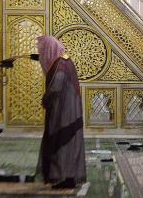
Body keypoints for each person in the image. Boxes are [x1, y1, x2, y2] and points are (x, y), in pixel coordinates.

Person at [36, 36, 86, 189]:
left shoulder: (61, 64)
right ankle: (68, 177)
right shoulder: (64, 60)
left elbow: (56, 86)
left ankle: (64, 178)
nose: (42, 55)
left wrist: (46, 99)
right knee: (67, 141)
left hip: (65, 112)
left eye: (43, 51)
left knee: (62, 141)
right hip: (68, 109)